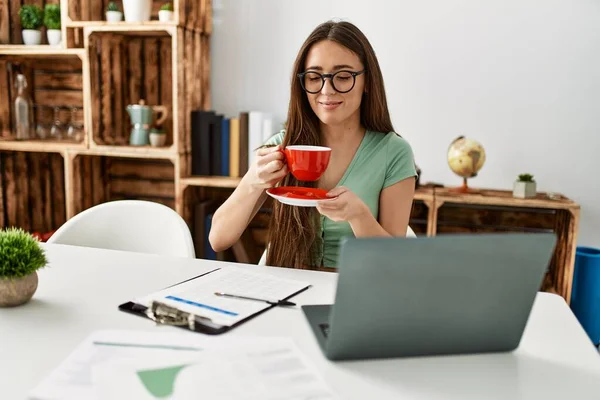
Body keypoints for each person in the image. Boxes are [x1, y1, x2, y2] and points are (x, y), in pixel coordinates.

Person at [209, 20, 417, 269]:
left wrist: (358, 216)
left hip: (356, 288)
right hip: (286, 290)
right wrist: (254, 181)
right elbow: (218, 239)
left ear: (367, 82)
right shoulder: (282, 147)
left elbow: (395, 263)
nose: (326, 90)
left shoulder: (393, 152)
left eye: (342, 77)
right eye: (314, 77)